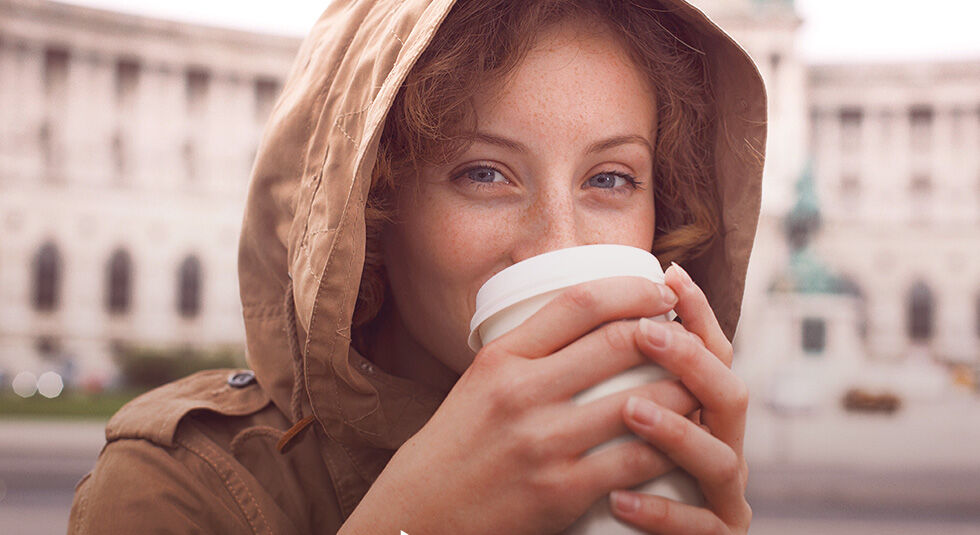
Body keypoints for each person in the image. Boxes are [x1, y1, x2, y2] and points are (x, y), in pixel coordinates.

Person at [68, 0, 766, 533]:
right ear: (370, 206)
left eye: (610, 178)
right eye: (485, 173)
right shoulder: (179, 485)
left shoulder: (649, 470)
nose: (560, 244)